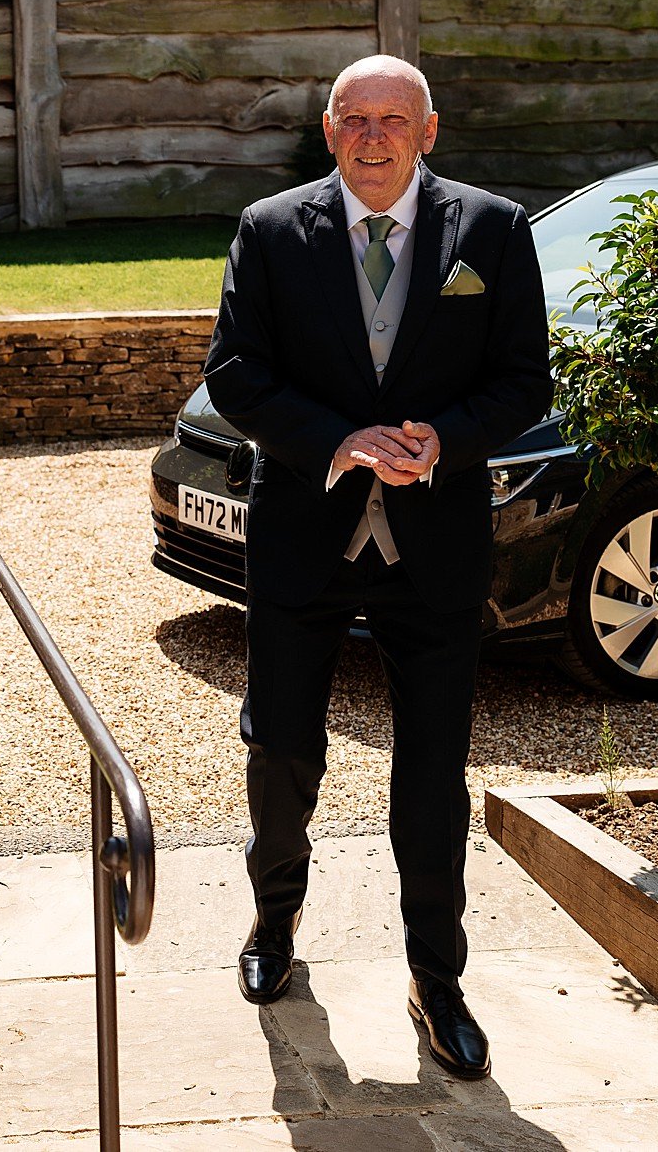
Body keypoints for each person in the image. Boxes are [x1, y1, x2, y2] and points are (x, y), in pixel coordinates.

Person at [202, 55, 553, 1079]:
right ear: (325, 130)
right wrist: (340, 441)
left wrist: (439, 436)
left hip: (435, 547)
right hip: (301, 540)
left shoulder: (490, 231)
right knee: (280, 747)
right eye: (351, 118)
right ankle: (273, 924)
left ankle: (434, 981)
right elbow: (233, 374)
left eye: (389, 119)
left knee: (433, 771)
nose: (370, 136)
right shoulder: (268, 230)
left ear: (427, 133)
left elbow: (521, 381)